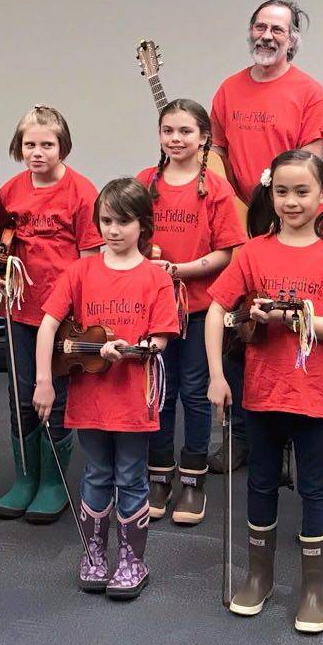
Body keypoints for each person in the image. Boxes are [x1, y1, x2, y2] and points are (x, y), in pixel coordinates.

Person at [206, 150, 323, 635]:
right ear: (269, 194)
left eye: (301, 192)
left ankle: (315, 588)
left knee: (316, 485)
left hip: (313, 395)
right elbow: (217, 311)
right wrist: (216, 376)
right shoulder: (254, 251)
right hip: (261, 392)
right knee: (260, 481)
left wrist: (291, 316)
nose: (291, 201)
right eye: (281, 191)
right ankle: (259, 576)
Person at [34, 178, 179, 598]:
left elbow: (161, 339)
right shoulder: (80, 271)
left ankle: (133, 561)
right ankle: (94, 554)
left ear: (143, 224)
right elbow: (48, 326)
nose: (113, 230)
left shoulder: (155, 278)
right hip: (90, 399)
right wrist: (44, 381)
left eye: (123, 222)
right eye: (106, 221)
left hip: (133, 399)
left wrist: (134, 349)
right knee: (97, 473)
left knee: (131, 476)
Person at [208, 0, 323, 473]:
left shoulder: (309, 92)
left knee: (281, 323)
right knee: (240, 325)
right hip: (237, 223)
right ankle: (242, 434)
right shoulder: (228, 89)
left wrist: (277, 203)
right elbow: (216, 154)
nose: (267, 36)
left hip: (286, 220)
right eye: (260, 26)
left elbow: (310, 163)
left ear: (292, 39)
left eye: (278, 29)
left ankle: (288, 438)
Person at [0, 106, 102, 524]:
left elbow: (90, 258)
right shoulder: (10, 191)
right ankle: (26, 478)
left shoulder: (82, 191)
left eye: (47, 144)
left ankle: (53, 483)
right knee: (20, 396)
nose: (37, 152)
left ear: (63, 146)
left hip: (62, 316)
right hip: (20, 311)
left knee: (54, 397)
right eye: (29, 144)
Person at [137, 100, 245, 524]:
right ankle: (159, 476)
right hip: (153, 309)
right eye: (168, 130)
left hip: (199, 309)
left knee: (196, 393)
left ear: (204, 138)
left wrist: (180, 270)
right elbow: (127, 236)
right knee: (159, 390)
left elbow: (226, 252)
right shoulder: (145, 181)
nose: (176, 139)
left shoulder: (216, 189)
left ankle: (193, 480)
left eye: (185, 131)